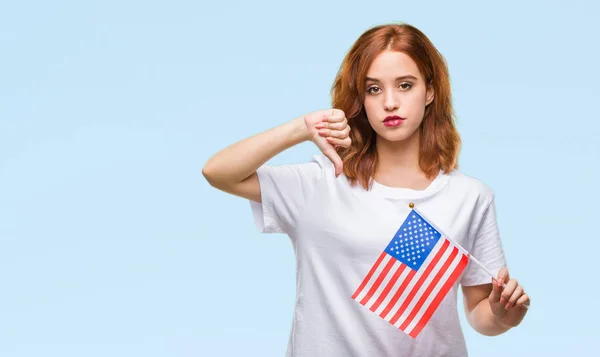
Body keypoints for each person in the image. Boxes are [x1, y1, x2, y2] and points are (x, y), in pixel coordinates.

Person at [202, 22, 529, 357]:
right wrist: (301, 128)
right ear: (361, 98)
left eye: (405, 85)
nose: (390, 102)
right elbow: (218, 172)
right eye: (374, 89)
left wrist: (504, 315)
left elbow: (479, 312)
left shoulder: (469, 197)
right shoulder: (320, 183)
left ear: (429, 91)